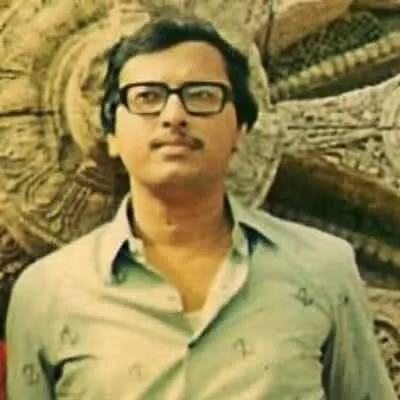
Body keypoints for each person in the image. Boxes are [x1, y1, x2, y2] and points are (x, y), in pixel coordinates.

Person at [6, 13, 396, 400]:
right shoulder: (47, 293)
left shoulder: (322, 269)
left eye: (202, 96)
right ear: (112, 135)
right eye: (147, 98)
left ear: (240, 129)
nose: (174, 116)